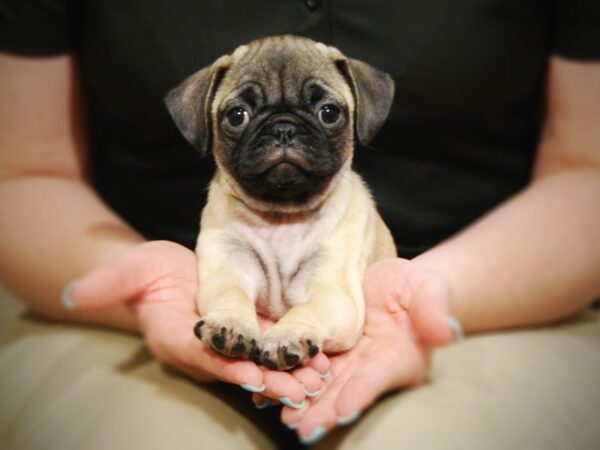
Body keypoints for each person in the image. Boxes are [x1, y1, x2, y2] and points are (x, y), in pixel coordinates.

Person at [0, 0, 599, 447]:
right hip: (138, 301)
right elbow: (24, 174)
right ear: (201, 120)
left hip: (488, 297)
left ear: (362, 110)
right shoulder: (223, 216)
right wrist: (219, 314)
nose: (284, 133)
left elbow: (338, 308)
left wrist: (328, 320)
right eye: (239, 115)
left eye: (326, 112)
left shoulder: (345, 213)